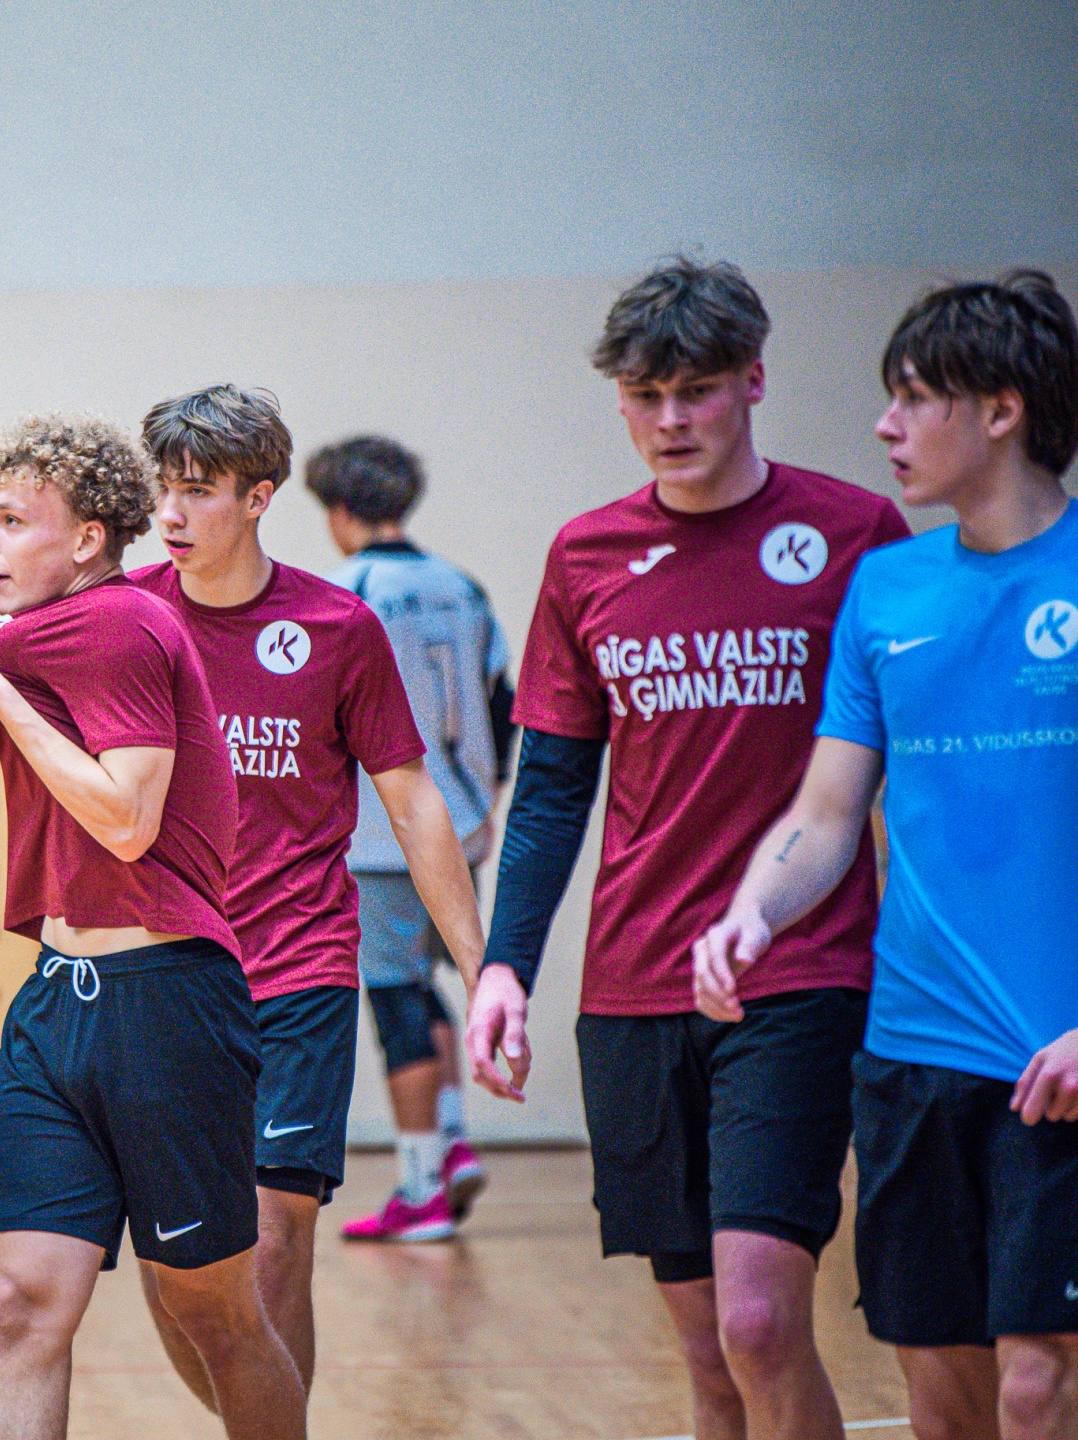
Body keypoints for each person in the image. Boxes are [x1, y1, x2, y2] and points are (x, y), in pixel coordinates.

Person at [462, 257, 911, 1440]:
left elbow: (906, 773)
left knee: (760, 1323)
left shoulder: (853, 534)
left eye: (696, 390)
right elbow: (552, 788)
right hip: (633, 988)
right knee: (710, 1358)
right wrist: (505, 964)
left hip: (798, 973)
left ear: (751, 380)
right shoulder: (585, 556)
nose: (670, 419)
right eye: (645, 395)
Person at [693, 271, 1078, 1440]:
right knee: (942, 1390)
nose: (883, 426)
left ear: (1000, 409)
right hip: (910, 1053)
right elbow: (825, 812)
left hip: (1058, 1056)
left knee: (1038, 1380)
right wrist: (752, 912)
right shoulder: (886, 586)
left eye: (912, 399)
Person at [0, 413, 306, 1440]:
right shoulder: (25, 634)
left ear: (85, 539)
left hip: (166, 1004)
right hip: (56, 1003)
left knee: (216, 1314)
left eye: (11, 521)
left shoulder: (119, 626)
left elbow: (124, 819)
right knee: (21, 1305)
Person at [123, 386, 488, 1405]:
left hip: (297, 968)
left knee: (276, 1239)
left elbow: (411, 798)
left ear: (259, 497)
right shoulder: (126, 615)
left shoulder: (337, 625)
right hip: (162, 978)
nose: (170, 514)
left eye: (198, 491)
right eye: (163, 490)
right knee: (181, 1276)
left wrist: (480, 965)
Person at [307, 433, 515, 1242]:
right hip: (459, 825)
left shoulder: (341, 594)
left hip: (380, 833)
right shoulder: (464, 586)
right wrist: (485, 797)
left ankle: (422, 1182)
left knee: (394, 996)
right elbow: (504, 702)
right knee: (427, 982)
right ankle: (454, 1143)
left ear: (339, 510)